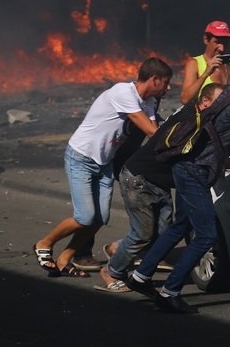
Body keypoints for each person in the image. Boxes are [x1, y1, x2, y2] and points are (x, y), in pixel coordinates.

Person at [124, 57, 230, 313]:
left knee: (181, 224)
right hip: (194, 170)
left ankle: (140, 276)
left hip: (186, 166)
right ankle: (170, 292)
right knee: (206, 236)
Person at [32, 57, 172, 277]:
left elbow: (155, 132)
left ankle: (65, 258)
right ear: (154, 80)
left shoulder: (149, 102)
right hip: (81, 157)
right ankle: (44, 243)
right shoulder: (123, 93)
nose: (169, 87)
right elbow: (152, 133)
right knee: (85, 217)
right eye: (166, 82)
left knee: (99, 219)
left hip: (104, 162)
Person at [97, 83, 227, 293]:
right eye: (219, 102)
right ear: (205, 102)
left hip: (159, 181)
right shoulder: (189, 120)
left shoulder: (197, 115)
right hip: (139, 179)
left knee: (164, 232)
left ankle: (119, 249)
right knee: (142, 234)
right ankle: (111, 272)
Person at [179, 20, 230, 105]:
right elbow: (185, 99)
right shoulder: (194, 64)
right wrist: (206, 73)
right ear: (206, 40)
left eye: (225, 43)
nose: (222, 48)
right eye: (217, 42)